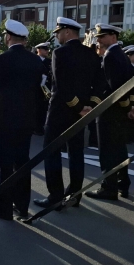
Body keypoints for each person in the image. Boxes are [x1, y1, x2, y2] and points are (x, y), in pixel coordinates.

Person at [33, 17, 100, 211]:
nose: (57, 36)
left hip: (61, 112)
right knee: (76, 153)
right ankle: (75, 195)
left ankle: (55, 195)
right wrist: (89, 106)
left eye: (58, 32)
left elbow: (60, 86)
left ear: (67, 32)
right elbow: (100, 83)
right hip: (82, 113)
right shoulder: (91, 53)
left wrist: (78, 105)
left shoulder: (60, 53)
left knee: (51, 151)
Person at [0, 20, 43, 220]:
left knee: (5, 164)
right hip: (27, 119)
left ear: (8, 37)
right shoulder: (36, 60)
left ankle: (4, 207)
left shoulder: (0, 60)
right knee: (22, 162)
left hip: (4, 119)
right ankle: (22, 205)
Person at [86, 25, 134, 201]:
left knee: (107, 151)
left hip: (110, 111)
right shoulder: (122, 55)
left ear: (113, 36)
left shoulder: (110, 56)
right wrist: (130, 107)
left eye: (102, 36)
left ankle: (109, 188)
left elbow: (115, 88)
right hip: (120, 112)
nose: (98, 39)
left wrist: (123, 106)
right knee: (119, 149)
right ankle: (123, 184)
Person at [34, 42, 53, 137]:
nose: (47, 51)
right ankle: (34, 127)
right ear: (39, 50)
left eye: (47, 49)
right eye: (45, 49)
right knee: (34, 108)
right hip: (35, 88)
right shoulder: (33, 59)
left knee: (43, 109)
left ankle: (40, 127)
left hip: (45, 89)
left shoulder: (49, 61)